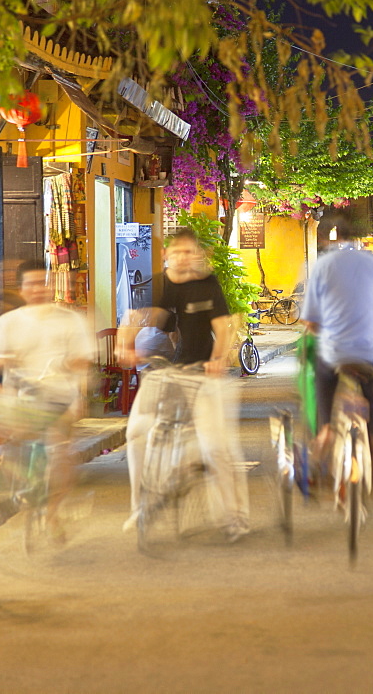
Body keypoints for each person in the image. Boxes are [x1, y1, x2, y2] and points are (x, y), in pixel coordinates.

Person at [118, 229, 249, 541]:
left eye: (189, 252)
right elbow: (138, 317)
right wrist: (125, 345)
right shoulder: (158, 284)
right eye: (177, 252)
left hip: (205, 372)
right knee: (137, 433)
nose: (183, 258)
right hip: (167, 373)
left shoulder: (207, 284)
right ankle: (141, 507)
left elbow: (222, 326)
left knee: (215, 446)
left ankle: (234, 516)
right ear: (167, 256)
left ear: (196, 255)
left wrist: (218, 359)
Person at [0, 260, 95, 532]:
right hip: (22, 398)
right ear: (21, 289)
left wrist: (74, 372)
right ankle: (9, 467)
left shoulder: (71, 319)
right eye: (31, 284)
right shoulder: (8, 322)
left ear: (51, 285)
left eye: (43, 283)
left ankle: (53, 512)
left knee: (59, 452)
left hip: (58, 397)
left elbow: (84, 359)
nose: (38, 289)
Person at [303, 217, 373, 507]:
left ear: (330, 238)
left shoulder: (323, 266)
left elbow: (311, 321)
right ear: (363, 239)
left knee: (326, 418)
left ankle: (319, 450)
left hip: (335, 354)